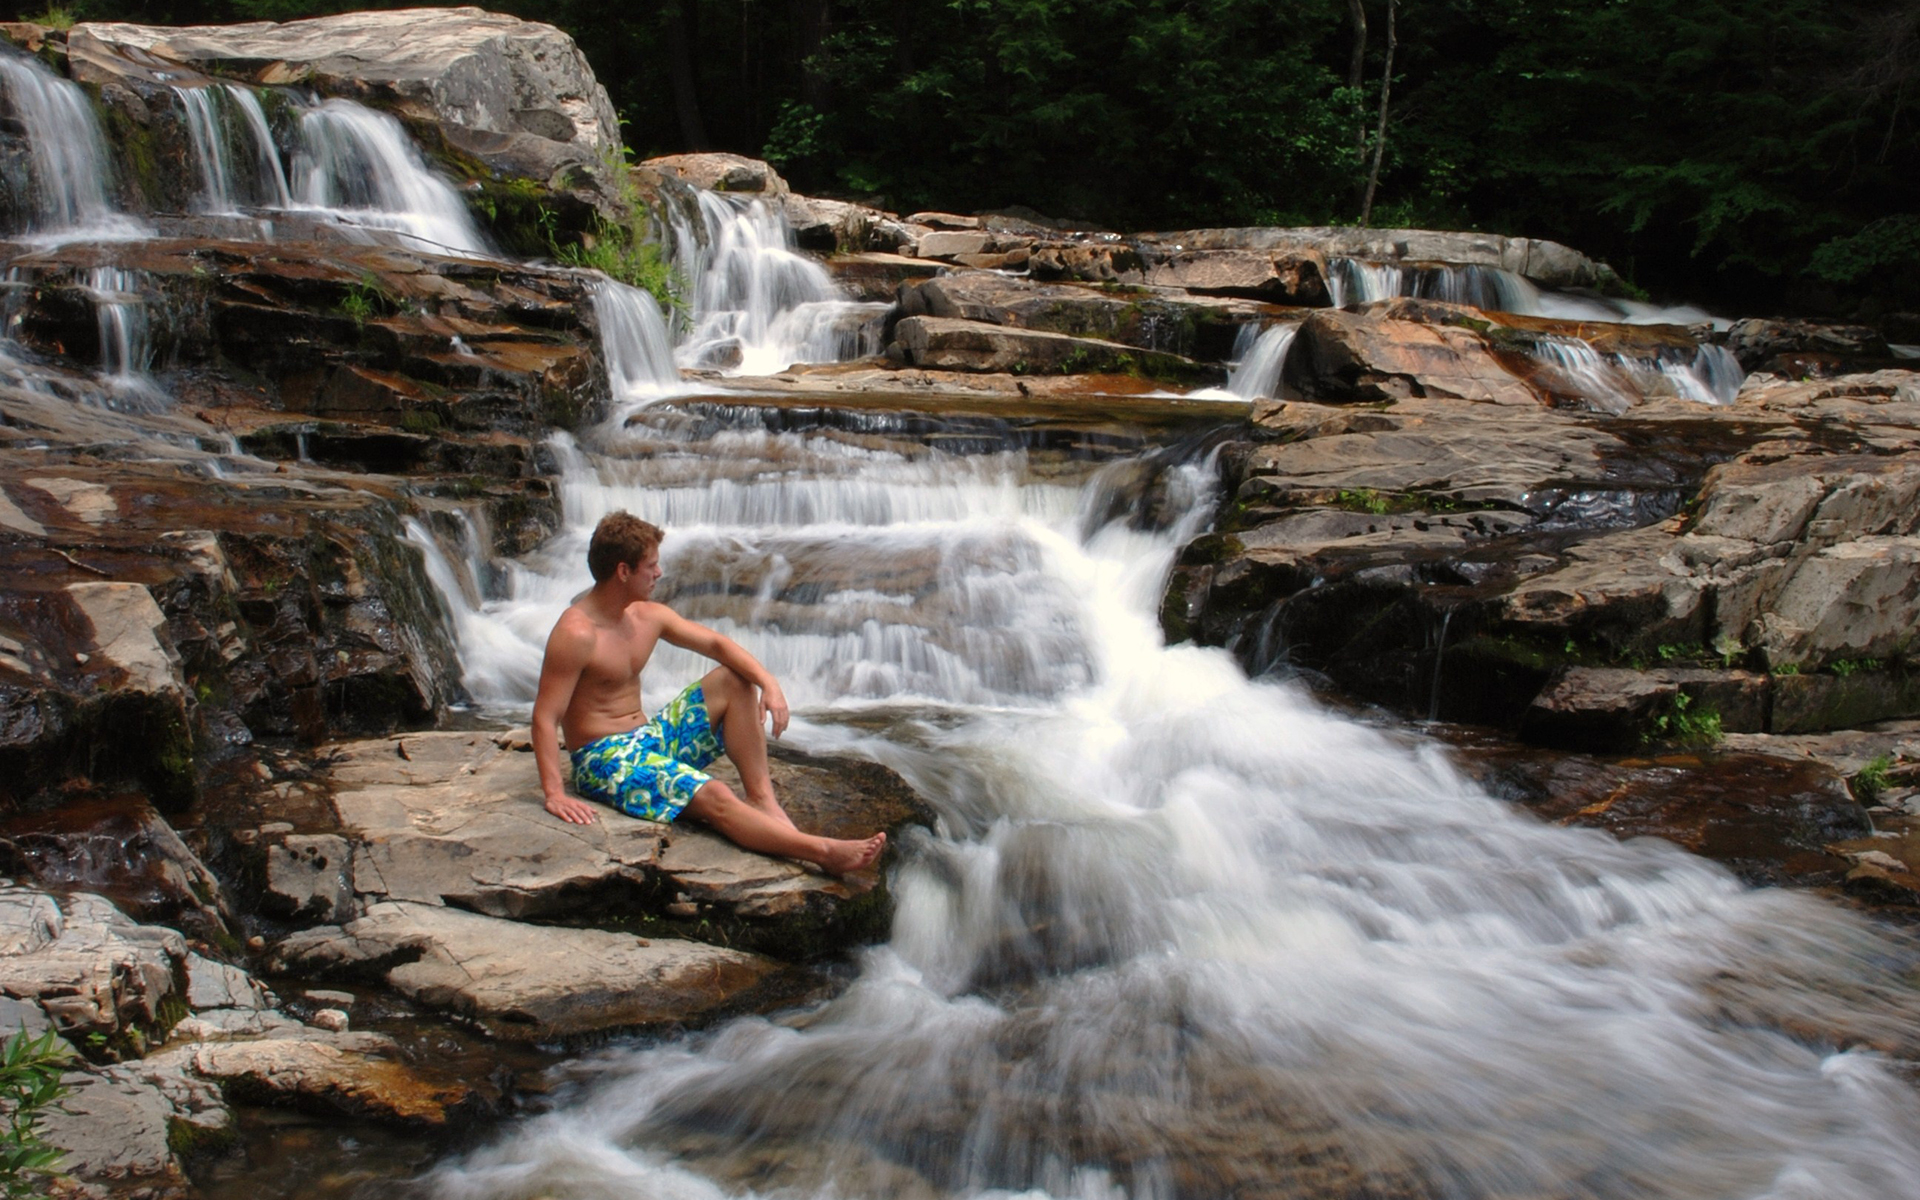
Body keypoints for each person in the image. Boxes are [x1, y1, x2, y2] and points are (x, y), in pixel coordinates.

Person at [531, 511, 887, 875]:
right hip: (605, 761)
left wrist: (770, 683)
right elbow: (545, 716)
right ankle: (824, 852)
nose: (659, 573)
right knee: (715, 793)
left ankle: (762, 798)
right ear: (623, 571)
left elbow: (716, 645)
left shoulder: (645, 615)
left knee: (734, 680)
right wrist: (554, 793)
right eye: (650, 566)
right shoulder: (576, 634)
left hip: (648, 739)